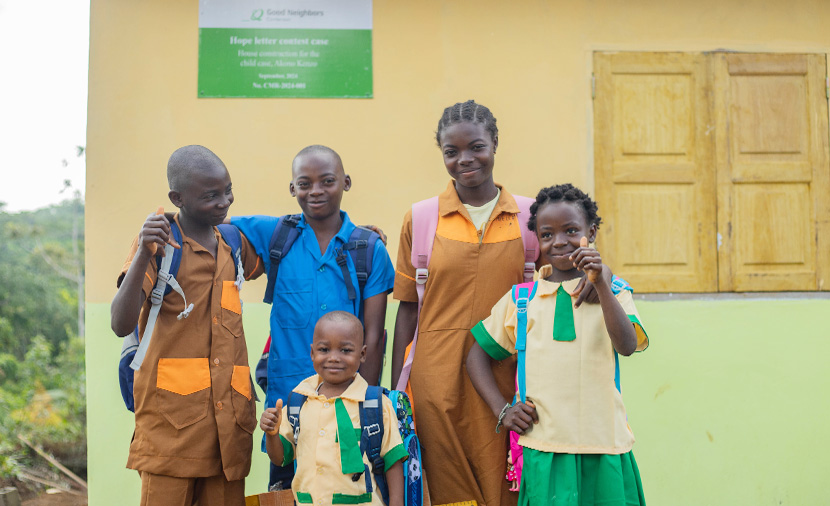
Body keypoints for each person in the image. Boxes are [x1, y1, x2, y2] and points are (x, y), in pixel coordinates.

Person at [391, 99, 563, 506]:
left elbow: (562, 284)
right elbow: (407, 309)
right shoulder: (421, 218)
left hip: (509, 378)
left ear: (495, 144)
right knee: (446, 484)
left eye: (476, 147)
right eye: (451, 152)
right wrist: (396, 390)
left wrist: (603, 277)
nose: (464, 160)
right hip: (434, 379)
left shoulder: (530, 217)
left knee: (506, 482)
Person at [466, 184, 648, 505]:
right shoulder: (523, 299)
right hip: (544, 448)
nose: (559, 241)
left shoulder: (614, 290)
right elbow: (476, 357)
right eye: (547, 234)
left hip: (604, 444)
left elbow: (627, 345)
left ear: (591, 232)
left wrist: (601, 283)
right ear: (537, 239)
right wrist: (503, 411)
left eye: (571, 230)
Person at [231, 145, 395, 489]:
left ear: (346, 183)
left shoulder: (367, 250)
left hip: (348, 409)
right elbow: (216, 222)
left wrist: (365, 403)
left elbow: (375, 336)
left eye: (327, 181)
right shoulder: (278, 235)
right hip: (290, 406)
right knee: (289, 488)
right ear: (292, 189)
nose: (316, 191)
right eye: (304, 183)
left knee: (350, 490)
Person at [110, 145, 263, 506]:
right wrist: (145, 252)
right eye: (210, 195)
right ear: (177, 198)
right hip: (172, 433)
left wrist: (350, 234)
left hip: (229, 435)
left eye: (227, 190)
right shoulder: (161, 246)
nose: (224, 201)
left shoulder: (233, 245)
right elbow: (120, 322)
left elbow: (286, 245)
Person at [260, 311, 408, 506]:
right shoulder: (299, 401)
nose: (334, 358)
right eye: (324, 349)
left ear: (362, 354)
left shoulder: (375, 404)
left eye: (345, 350)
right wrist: (271, 433)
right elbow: (280, 458)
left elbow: (393, 462)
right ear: (312, 353)